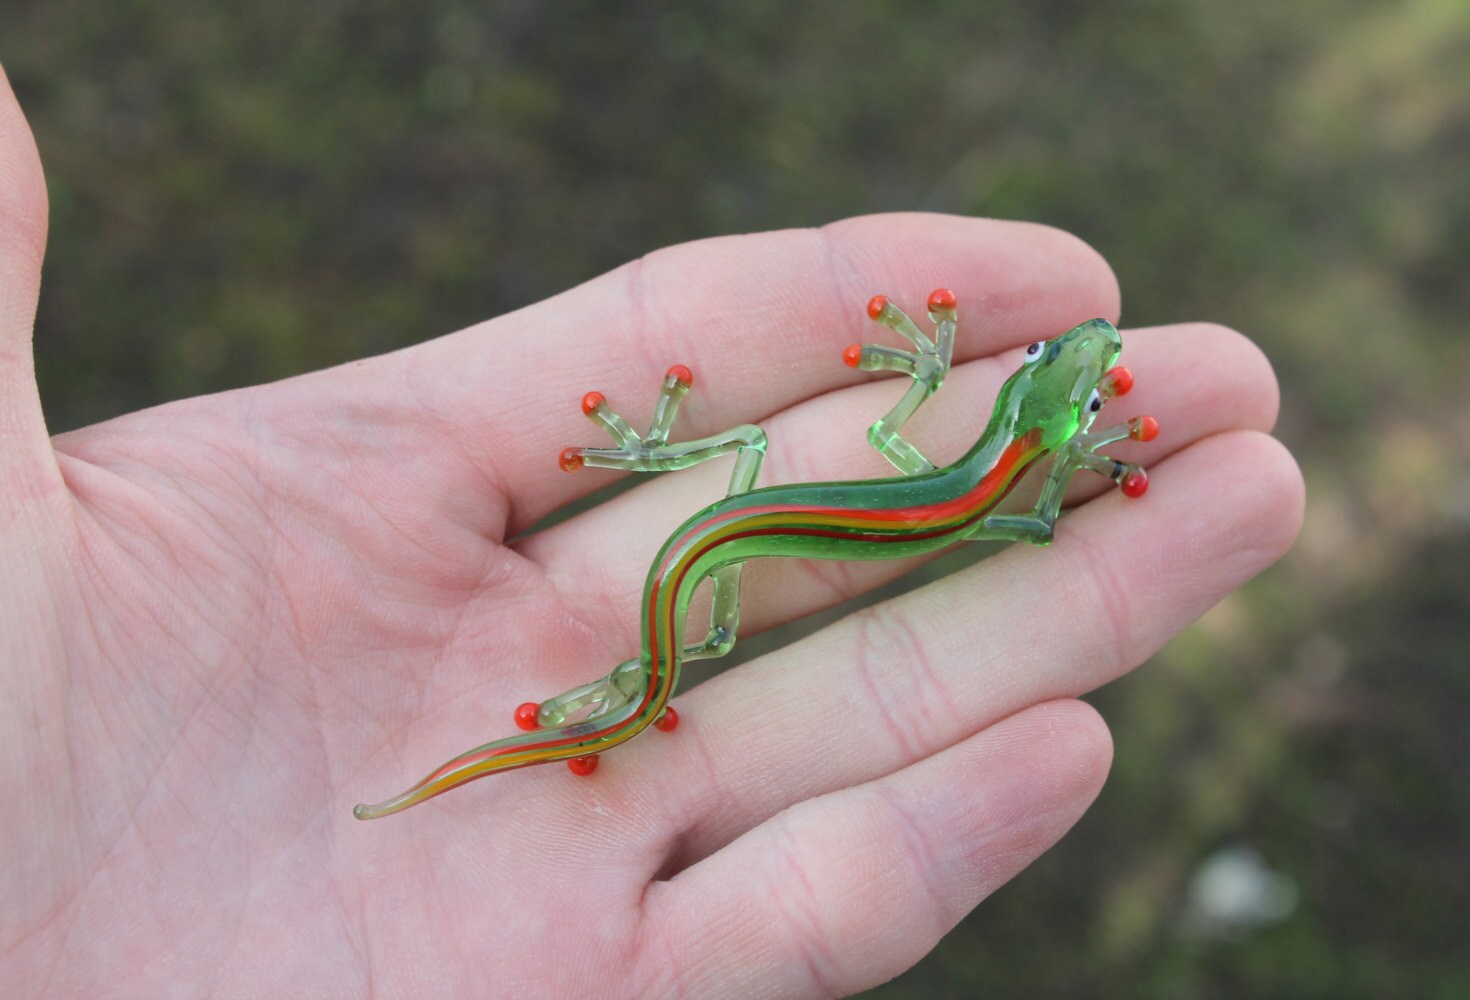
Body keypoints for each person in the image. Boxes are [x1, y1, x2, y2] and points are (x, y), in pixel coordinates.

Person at [0, 66, 1302, 998]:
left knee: (712, 544)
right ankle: (616, 695)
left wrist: (933, 372)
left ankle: (621, 662)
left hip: (731, 528)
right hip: (730, 547)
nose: (1078, 361)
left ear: (1034, 417)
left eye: (1076, 381)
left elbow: (936, 459)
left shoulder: (979, 463)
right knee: (689, 629)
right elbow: (1025, 521)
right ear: (1037, 413)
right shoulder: (1006, 483)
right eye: (1059, 371)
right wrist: (1076, 463)